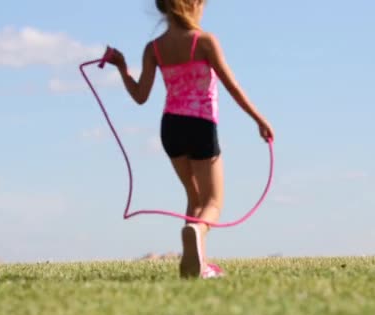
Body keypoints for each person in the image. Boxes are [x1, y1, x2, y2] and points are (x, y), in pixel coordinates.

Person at [103, 0, 274, 279]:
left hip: (170, 127)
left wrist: (121, 67)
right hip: (200, 125)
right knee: (214, 202)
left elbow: (140, 96)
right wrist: (259, 119)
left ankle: (195, 266)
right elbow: (232, 86)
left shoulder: (154, 49)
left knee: (194, 199)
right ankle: (197, 233)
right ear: (193, 4)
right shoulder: (205, 41)